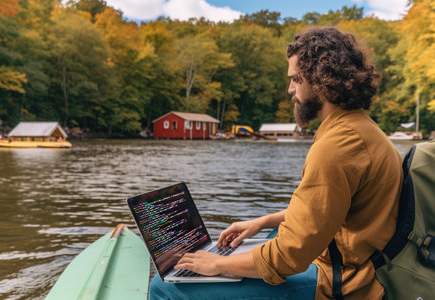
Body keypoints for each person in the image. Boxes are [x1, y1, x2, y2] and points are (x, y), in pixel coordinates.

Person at [149, 27, 403, 300]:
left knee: (164, 287)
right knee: (268, 233)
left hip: (342, 281)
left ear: (321, 81)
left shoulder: (337, 147)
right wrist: (263, 221)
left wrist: (217, 264)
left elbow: (288, 257)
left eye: (296, 79)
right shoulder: (359, 128)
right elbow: (327, 210)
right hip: (349, 263)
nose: (290, 89)